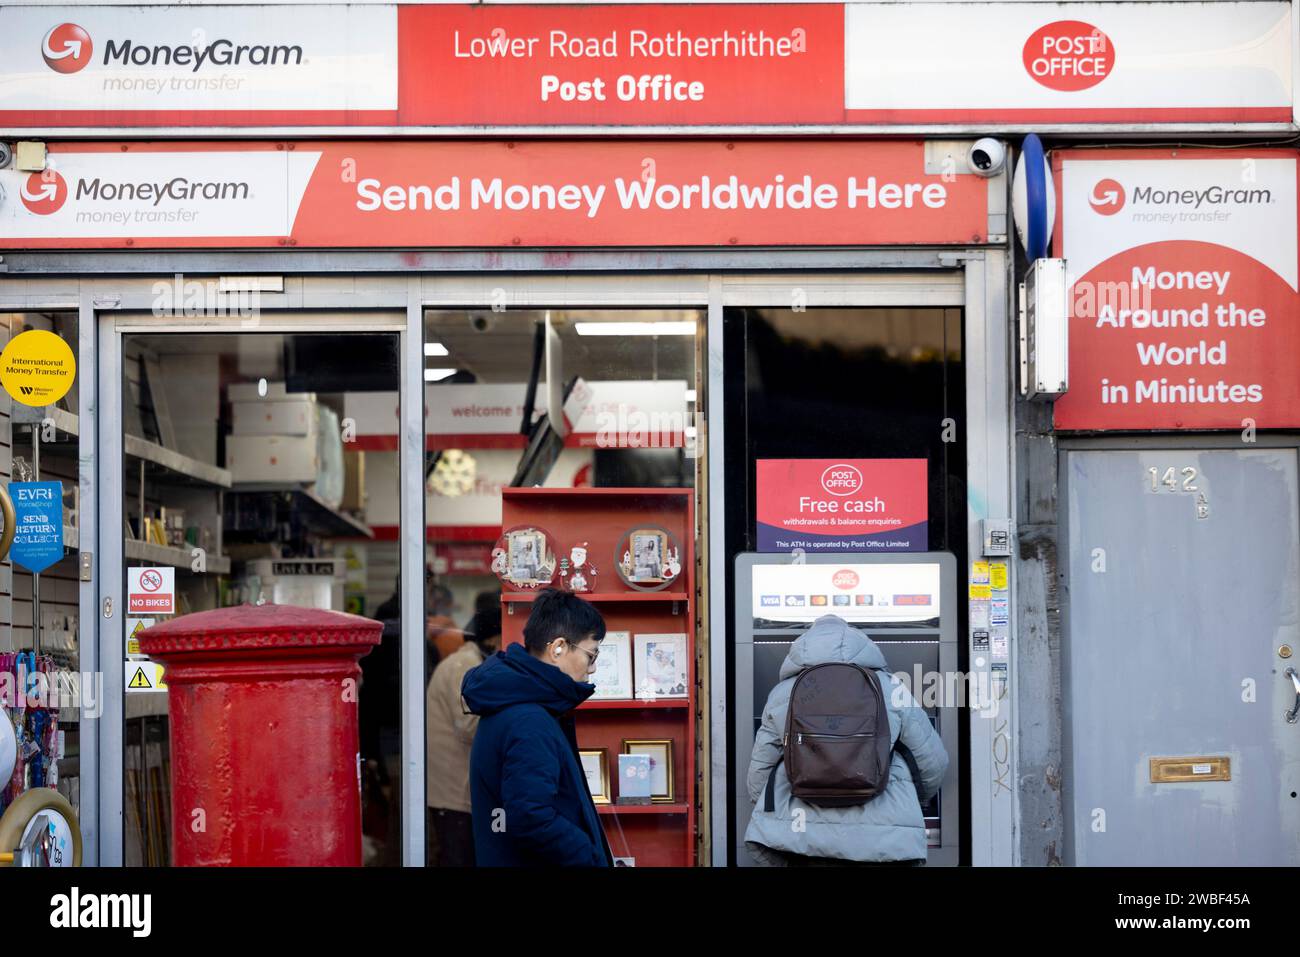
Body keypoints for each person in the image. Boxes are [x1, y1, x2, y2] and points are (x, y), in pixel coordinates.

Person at [744, 613, 949, 866]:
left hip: (802, 838)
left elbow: (759, 774)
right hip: (881, 838)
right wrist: (906, 796)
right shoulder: (891, 688)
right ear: (863, 646)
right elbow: (932, 763)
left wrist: (777, 809)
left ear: (802, 647)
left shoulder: (783, 693)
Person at [461, 588, 613, 867]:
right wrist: (587, 854)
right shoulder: (529, 719)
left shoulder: (515, 703)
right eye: (591, 655)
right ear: (558, 648)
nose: (591, 668)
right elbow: (531, 816)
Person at [426, 605, 501, 867]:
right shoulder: (464, 666)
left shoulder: (472, 662)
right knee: (459, 857)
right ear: (492, 637)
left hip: (459, 787)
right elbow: (468, 725)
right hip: (453, 790)